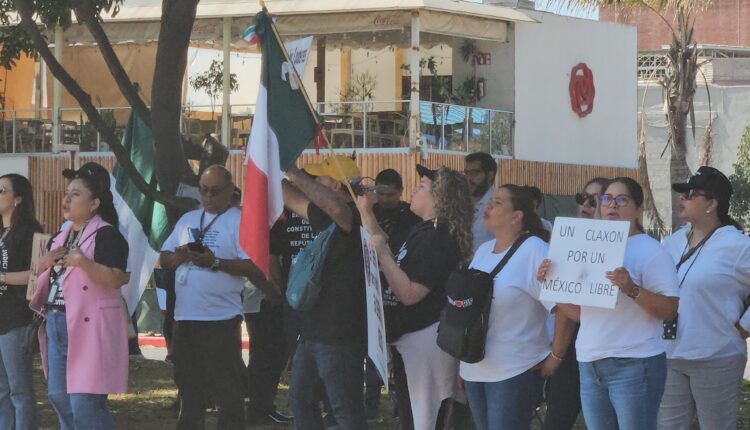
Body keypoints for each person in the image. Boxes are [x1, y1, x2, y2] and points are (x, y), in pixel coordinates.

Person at [539, 177, 679, 430]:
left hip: (635, 363)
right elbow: (581, 314)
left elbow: (669, 310)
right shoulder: (591, 245)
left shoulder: (652, 251)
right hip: (590, 362)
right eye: (605, 199)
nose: (611, 205)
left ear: (638, 208)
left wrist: (631, 289)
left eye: (621, 200)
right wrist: (553, 284)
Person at [359, 164, 473, 430]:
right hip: (411, 339)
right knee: (414, 415)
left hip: (425, 341)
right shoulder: (424, 231)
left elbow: (410, 293)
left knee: (425, 417)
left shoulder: (437, 238)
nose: (414, 190)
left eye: (422, 187)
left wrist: (383, 253)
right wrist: (365, 210)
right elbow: (383, 240)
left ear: (439, 198)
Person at [160, 165, 274, 430]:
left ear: (230, 190)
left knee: (228, 388)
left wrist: (214, 263)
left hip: (221, 318)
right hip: (186, 317)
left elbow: (252, 267)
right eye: (204, 191)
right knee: (189, 385)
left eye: (215, 191)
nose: (209, 197)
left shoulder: (239, 220)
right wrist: (180, 257)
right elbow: (164, 258)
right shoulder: (188, 219)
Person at [459, 184, 574, 430]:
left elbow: (563, 308)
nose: (488, 205)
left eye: (498, 202)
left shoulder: (534, 250)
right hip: (474, 369)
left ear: (517, 215)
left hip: (514, 371)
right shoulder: (482, 251)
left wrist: (555, 356)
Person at [29, 162, 130, 430]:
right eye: (67, 192)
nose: (66, 199)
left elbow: (118, 278)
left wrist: (85, 263)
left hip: (89, 327)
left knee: (84, 402)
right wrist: (44, 263)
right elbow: (34, 279)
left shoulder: (108, 234)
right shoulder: (59, 237)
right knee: (59, 396)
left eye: (75, 194)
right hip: (56, 321)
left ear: (94, 202)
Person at [657, 166, 750, 430]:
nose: (682, 198)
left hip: (716, 356)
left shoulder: (736, 245)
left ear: (712, 203)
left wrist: (745, 325)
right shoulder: (671, 243)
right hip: (670, 354)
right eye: (682, 193)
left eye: (690, 193)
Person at [282, 155, 368, 430]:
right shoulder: (329, 217)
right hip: (312, 332)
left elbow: (338, 210)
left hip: (340, 336)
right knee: (300, 400)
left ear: (337, 187)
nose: (311, 184)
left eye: (317, 180)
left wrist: (295, 175)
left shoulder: (357, 216)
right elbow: (289, 196)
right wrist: (272, 164)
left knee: (345, 411)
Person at [543, 177, 610, 430]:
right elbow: (565, 308)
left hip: (606, 348)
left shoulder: (618, 245)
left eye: (595, 200)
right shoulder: (568, 239)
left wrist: (556, 354)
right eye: (582, 197)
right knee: (558, 418)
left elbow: (572, 311)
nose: (586, 204)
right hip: (573, 349)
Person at [370, 168, 420, 421]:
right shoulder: (370, 213)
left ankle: (403, 403)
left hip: (400, 281)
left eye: (390, 194)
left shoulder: (411, 216)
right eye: (380, 193)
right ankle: (370, 400)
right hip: (372, 281)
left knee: (399, 348)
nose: (385, 199)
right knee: (373, 345)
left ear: (400, 191)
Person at [0, 174, 42, 430]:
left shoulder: (30, 231)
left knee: (20, 390)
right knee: (2, 391)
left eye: (1, 189)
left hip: (17, 319)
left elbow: (38, 276)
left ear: (17, 198)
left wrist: (2, 277)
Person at [464, 152, 496, 252]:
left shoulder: (498, 206)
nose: (469, 178)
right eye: (466, 172)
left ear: (490, 175)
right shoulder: (460, 202)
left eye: (474, 173)